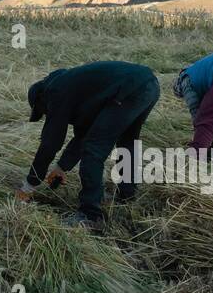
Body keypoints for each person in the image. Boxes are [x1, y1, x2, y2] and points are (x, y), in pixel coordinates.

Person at [15, 60, 161, 230]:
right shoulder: (77, 89)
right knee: (127, 142)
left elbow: (50, 142)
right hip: (148, 83)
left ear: (41, 100)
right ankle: (127, 197)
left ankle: (90, 215)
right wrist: (62, 167)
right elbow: (83, 134)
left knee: (93, 151)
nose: (47, 114)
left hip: (127, 90)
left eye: (44, 111)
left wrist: (29, 185)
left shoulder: (55, 91)